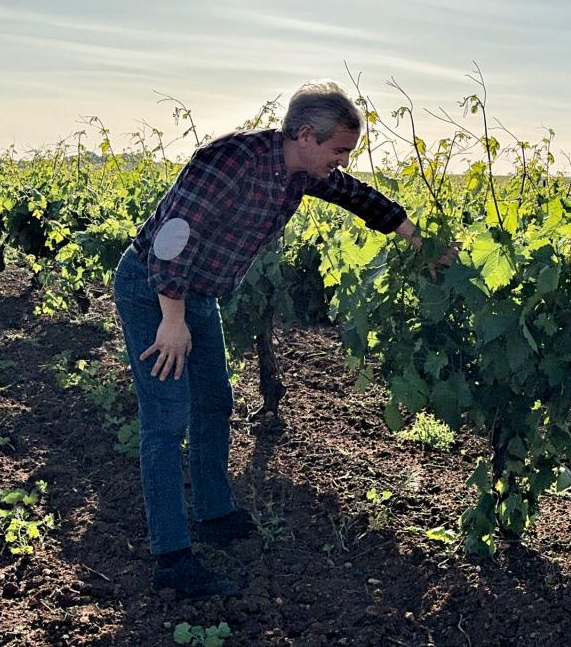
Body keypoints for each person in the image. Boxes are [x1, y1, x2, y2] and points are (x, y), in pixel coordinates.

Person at [112, 80, 454, 599]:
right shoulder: (229, 160)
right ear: (304, 135)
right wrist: (172, 320)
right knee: (166, 418)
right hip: (155, 290)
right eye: (339, 150)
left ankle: (214, 512)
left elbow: (357, 196)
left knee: (215, 402)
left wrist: (420, 242)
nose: (342, 162)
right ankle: (172, 558)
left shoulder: (299, 172)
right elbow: (171, 236)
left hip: (197, 294)